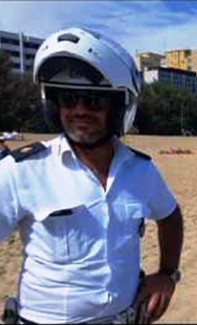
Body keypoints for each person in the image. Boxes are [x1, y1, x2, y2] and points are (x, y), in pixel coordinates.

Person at [0, 27, 183, 324]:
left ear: (120, 106)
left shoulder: (141, 170)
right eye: (68, 99)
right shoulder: (22, 171)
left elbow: (170, 215)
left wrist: (167, 274)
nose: (79, 110)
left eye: (94, 101)